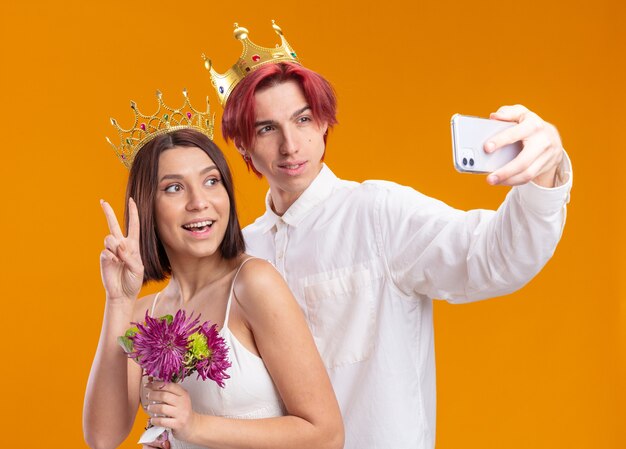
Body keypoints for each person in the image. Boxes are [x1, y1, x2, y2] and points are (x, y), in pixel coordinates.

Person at [208, 22, 573, 449]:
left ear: (324, 123)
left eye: (302, 119)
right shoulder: (239, 253)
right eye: (267, 128)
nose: (291, 144)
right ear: (243, 146)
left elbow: (495, 259)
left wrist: (545, 170)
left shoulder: (379, 214)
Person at [83, 91, 344, 449]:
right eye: (174, 188)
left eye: (211, 181)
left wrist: (194, 426)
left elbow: (325, 435)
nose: (199, 202)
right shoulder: (143, 313)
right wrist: (118, 300)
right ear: (146, 207)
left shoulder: (253, 284)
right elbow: (102, 437)